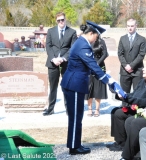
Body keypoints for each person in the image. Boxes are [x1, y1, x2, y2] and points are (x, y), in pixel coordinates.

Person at [60, 20, 114, 155]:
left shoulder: (81, 43)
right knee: (76, 117)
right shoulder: (83, 45)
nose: (96, 40)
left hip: (73, 83)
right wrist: (108, 80)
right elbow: (93, 65)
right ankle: (74, 146)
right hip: (75, 85)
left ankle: (75, 144)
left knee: (76, 116)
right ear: (91, 33)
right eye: (96, 36)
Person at [107, 60, 146, 151]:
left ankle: (124, 144)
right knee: (115, 111)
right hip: (137, 107)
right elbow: (134, 95)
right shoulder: (143, 81)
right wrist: (121, 95)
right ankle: (119, 141)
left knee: (119, 113)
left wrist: (127, 98)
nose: (143, 70)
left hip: (145, 111)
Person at [43, 12, 77, 116]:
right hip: (53, 63)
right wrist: (53, 59)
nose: (61, 22)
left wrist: (63, 58)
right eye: (59, 20)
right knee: (53, 87)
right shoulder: (51, 31)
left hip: (66, 63)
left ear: (65, 20)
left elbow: (73, 48)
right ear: (56, 21)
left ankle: (69, 110)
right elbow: (48, 46)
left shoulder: (72, 32)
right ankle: (50, 109)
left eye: (62, 20)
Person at [118, 18, 146, 107]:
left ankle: (135, 113)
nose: (130, 28)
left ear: (136, 26)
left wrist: (132, 66)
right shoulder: (122, 39)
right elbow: (120, 53)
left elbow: (141, 54)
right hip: (124, 71)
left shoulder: (142, 39)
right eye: (128, 26)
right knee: (124, 94)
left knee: (137, 94)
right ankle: (124, 111)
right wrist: (126, 65)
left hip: (137, 70)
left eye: (132, 26)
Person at [85, 37, 109, 117]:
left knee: (98, 88)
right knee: (89, 88)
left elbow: (105, 53)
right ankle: (89, 109)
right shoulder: (86, 40)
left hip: (99, 65)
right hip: (88, 65)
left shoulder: (101, 41)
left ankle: (97, 109)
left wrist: (98, 63)